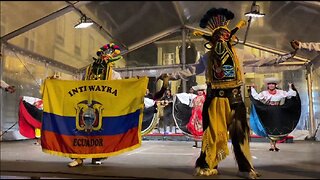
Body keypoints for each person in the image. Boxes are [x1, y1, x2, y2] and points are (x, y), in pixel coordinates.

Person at [159, 7, 260, 179]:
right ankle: (207, 164)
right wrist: (171, 76)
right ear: (212, 40)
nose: (221, 38)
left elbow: (262, 61)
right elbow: (191, 70)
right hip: (214, 100)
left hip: (234, 100)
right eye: (217, 36)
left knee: (240, 135)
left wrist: (290, 55)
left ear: (231, 37)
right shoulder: (207, 57)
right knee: (212, 134)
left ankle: (245, 167)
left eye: (224, 35)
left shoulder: (240, 54)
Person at [69, 43, 122, 167]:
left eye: (108, 55)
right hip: (86, 107)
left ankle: (97, 156)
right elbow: (80, 87)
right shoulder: (88, 71)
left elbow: (119, 91)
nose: (104, 57)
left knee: (100, 134)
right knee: (81, 131)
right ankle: (78, 157)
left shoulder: (115, 75)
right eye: (103, 54)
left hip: (104, 109)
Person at [250, 77, 297, 152]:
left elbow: (291, 95)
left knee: (276, 128)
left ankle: (275, 145)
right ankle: (272, 145)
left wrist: (290, 87)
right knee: (269, 128)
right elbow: (256, 97)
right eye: (270, 84)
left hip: (277, 112)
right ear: (268, 85)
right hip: (268, 112)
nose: (271, 85)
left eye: (273, 84)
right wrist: (252, 89)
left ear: (275, 85)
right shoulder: (264, 93)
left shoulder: (280, 92)